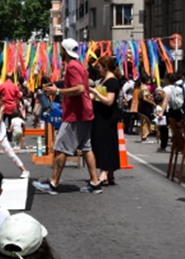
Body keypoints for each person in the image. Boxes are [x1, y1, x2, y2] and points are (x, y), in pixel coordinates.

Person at [33, 38, 102, 194]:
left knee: (60, 148)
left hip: (75, 113)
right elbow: (77, 85)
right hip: (84, 112)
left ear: (64, 50)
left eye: (61, 50)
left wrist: (57, 91)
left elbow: (78, 88)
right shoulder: (80, 66)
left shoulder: (71, 66)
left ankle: (53, 184)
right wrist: (57, 86)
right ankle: (95, 182)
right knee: (86, 148)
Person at [89, 55, 121, 185]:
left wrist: (95, 93)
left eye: (99, 67)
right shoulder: (103, 80)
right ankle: (110, 174)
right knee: (105, 143)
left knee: (105, 144)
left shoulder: (112, 82)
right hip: (100, 116)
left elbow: (109, 101)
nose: (98, 70)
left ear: (106, 67)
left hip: (106, 118)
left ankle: (103, 174)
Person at [0, 92, 29, 179]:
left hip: (1, 136)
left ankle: (24, 170)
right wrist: (1, 112)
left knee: (11, 153)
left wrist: (1, 112)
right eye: (1, 101)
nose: (2, 103)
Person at [0, 74, 23, 142]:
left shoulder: (2, 85)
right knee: (11, 122)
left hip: (4, 106)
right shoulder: (14, 86)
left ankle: (1, 135)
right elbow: (19, 96)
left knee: (1, 122)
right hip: (12, 107)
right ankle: (10, 137)